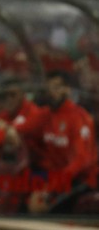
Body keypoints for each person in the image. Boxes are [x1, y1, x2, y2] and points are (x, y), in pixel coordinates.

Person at [27, 71, 98, 214]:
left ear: (68, 90)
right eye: (49, 88)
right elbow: (22, 128)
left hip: (81, 181)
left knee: (38, 208)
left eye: (57, 87)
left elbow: (81, 160)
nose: (51, 92)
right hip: (53, 176)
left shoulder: (79, 117)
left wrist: (51, 186)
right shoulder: (45, 114)